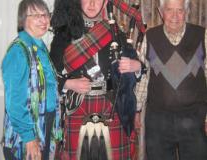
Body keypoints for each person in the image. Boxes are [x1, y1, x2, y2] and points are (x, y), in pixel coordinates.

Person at [50, 0, 146, 159]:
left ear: (105, 2)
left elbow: (138, 67)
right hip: (77, 106)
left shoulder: (115, 31)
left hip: (110, 106)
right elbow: (50, 75)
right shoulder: (64, 34)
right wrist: (68, 83)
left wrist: (137, 66)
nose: (92, 3)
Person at [135, 0, 207, 159]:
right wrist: (137, 109)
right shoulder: (150, 37)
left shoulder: (202, 35)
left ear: (186, 12)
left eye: (180, 10)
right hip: (158, 122)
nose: (175, 16)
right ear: (161, 12)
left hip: (194, 121)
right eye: (169, 10)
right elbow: (143, 77)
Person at [1, 0, 61, 159]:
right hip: (25, 137)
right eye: (36, 15)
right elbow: (14, 102)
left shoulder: (40, 48)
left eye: (45, 14)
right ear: (23, 20)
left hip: (45, 125)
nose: (43, 20)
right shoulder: (18, 51)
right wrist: (29, 138)